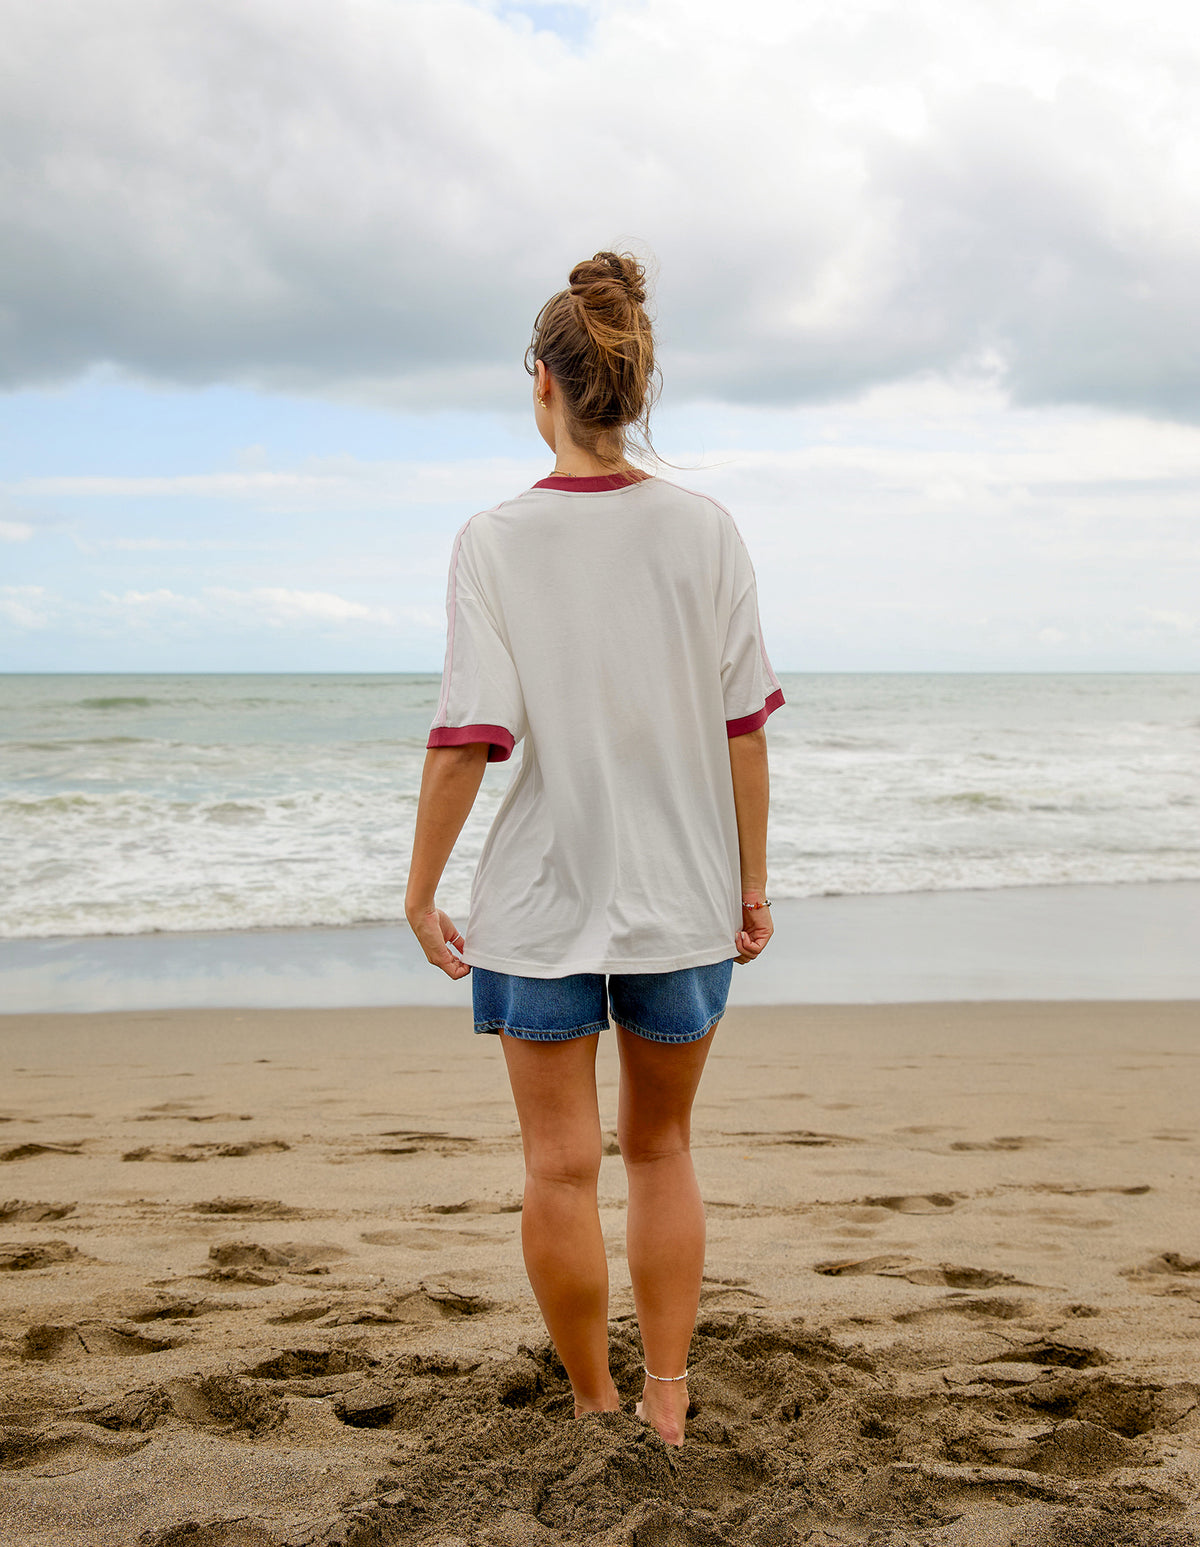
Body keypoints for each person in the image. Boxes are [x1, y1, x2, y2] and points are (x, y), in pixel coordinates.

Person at [405, 251, 782, 1447]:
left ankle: (593, 1400)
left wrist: (420, 891)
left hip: (538, 901)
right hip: (683, 893)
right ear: (635, 384)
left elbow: (469, 741)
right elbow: (745, 733)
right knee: (663, 1147)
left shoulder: (495, 539)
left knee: (562, 1166)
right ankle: (668, 1399)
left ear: (543, 386)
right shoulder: (707, 531)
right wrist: (752, 880)